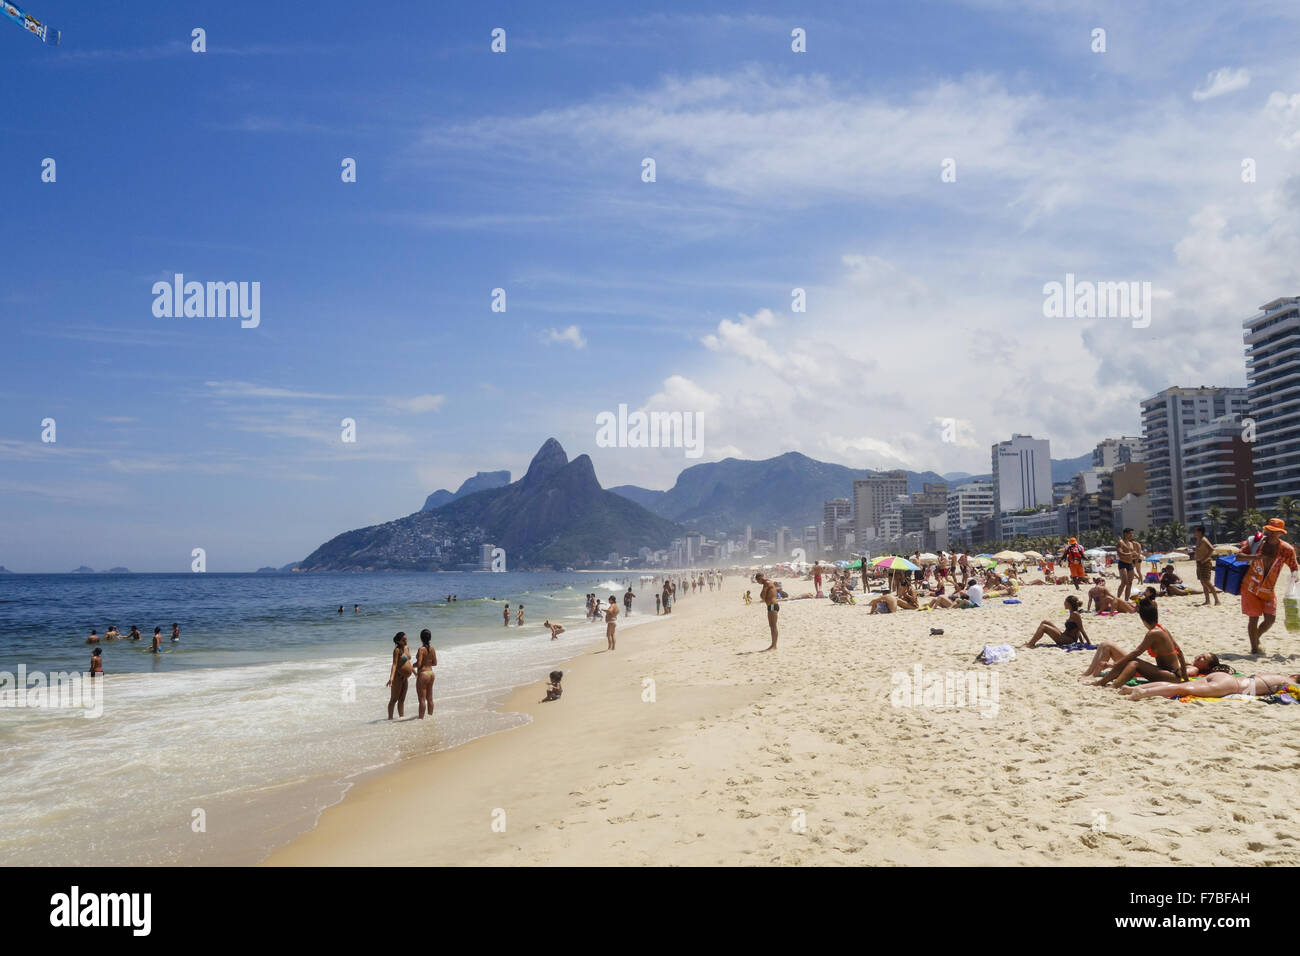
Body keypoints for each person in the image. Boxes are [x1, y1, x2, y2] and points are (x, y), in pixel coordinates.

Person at [1088, 599, 1188, 687]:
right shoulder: (1162, 629)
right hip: (1173, 675)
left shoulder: (1153, 633)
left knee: (1134, 662)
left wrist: (1117, 663)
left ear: (1142, 619)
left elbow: (1136, 652)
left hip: (1170, 676)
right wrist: (1185, 677)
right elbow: (1180, 651)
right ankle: (1107, 683)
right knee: (1132, 661)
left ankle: (1107, 684)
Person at [1236, 517, 1298, 655]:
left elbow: (1294, 566)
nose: (1271, 534)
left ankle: (1256, 637)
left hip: (1268, 589)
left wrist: (1294, 579)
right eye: (1269, 530)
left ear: (1281, 533)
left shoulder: (1286, 549)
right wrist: (1254, 558)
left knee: (1270, 619)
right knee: (1253, 617)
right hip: (1250, 585)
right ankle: (1254, 648)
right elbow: (1238, 556)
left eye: (1275, 532)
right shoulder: (1257, 543)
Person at [1121, 670, 1299, 701]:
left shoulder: (1281, 676)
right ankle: (1141, 693)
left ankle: (1138, 689)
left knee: (1182, 684)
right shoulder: (1289, 683)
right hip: (1232, 685)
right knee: (1183, 689)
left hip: (1224, 677)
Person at [1023, 595, 1089, 647]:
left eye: (1065, 602)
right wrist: (1081, 641)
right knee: (1045, 622)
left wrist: (1089, 643)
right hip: (1065, 636)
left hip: (1068, 640)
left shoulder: (1075, 614)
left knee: (1044, 627)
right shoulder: (1072, 613)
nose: (1064, 603)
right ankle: (1030, 643)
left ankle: (1030, 644)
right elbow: (1077, 629)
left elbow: (1081, 629)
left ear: (1069, 604)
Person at [386, 632, 413, 719]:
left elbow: (408, 662)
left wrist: (415, 673)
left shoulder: (406, 648)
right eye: (403, 640)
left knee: (402, 700)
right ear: (398, 641)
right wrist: (391, 678)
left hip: (405, 678)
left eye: (406, 638)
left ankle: (401, 718)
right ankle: (390, 719)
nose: (406, 641)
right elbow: (394, 664)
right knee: (394, 700)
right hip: (398, 677)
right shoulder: (397, 650)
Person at [1193, 526, 1221, 607]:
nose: (1194, 533)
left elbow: (1212, 549)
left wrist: (1205, 559)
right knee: (1203, 582)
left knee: (1207, 582)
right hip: (1199, 563)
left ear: (1200, 532)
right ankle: (1207, 600)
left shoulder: (1204, 540)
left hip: (1205, 563)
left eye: (1196, 531)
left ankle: (1217, 600)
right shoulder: (1198, 540)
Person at [413, 628, 436, 719]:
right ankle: (430, 717)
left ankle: (421, 720)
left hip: (423, 674)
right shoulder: (432, 649)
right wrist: (428, 663)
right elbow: (435, 663)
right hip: (431, 673)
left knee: (422, 700)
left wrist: (411, 666)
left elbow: (419, 664)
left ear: (421, 638)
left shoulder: (421, 649)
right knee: (430, 698)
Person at [758, 573, 779, 650]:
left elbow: (762, 596)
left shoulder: (766, 583)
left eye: (758, 581)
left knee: (773, 626)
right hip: (771, 605)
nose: (758, 583)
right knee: (772, 626)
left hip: (773, 605)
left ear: (759, 579)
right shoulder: (768, 582)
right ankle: (773, 644)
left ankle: (774, 645)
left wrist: (763, 597)